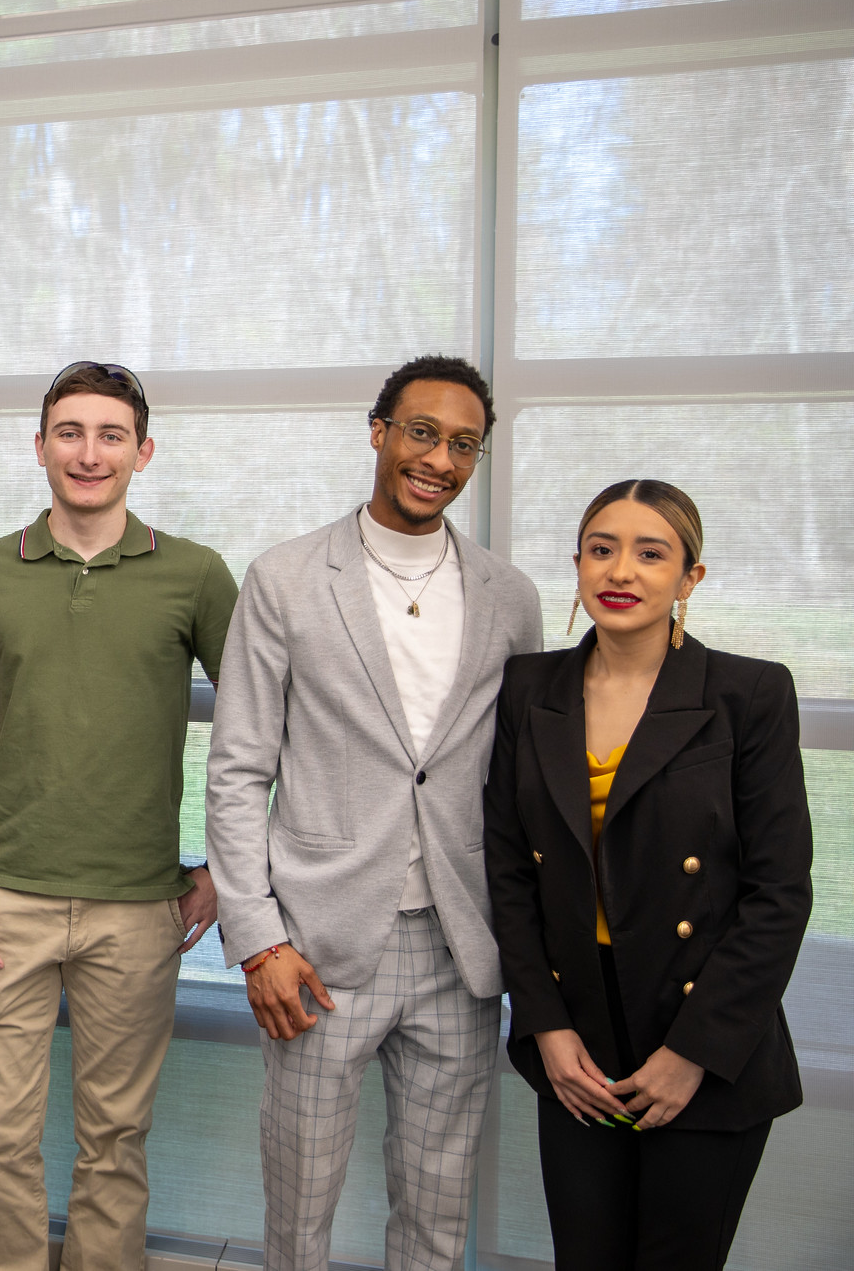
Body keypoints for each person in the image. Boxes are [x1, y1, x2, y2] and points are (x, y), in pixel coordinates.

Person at [207, 354, 543, 1271]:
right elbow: (238, 769)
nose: (439, 457)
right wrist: (259, 939)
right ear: (379, 430)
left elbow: (521, 780)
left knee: (436, 1219)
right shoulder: (283, 577)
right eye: (422, 432)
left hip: (461, 947)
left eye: (463, 443)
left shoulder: (510, 597)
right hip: (317, 948)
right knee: (300, 1214)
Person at [0, 361, 235, 1271]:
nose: (89, 451)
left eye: (111, 434)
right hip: (5, 902)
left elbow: (260, 728)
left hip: (140, 906)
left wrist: (224, 868)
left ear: (143, 451)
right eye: (69, 431)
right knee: (0, 1141)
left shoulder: (196, 575)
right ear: (40, 446)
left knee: (115, 1143)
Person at [483, 480, 810, 1271]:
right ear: (577, 565)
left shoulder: (749, 693)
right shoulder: (529, 690)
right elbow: (506, 870)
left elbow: (779, 892)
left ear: (690, 577)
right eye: (601, 548)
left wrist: (693, 1051)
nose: (619, 569)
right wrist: (546, 1026)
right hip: (579, 1038)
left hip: (706, 1035)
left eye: (650, 551)